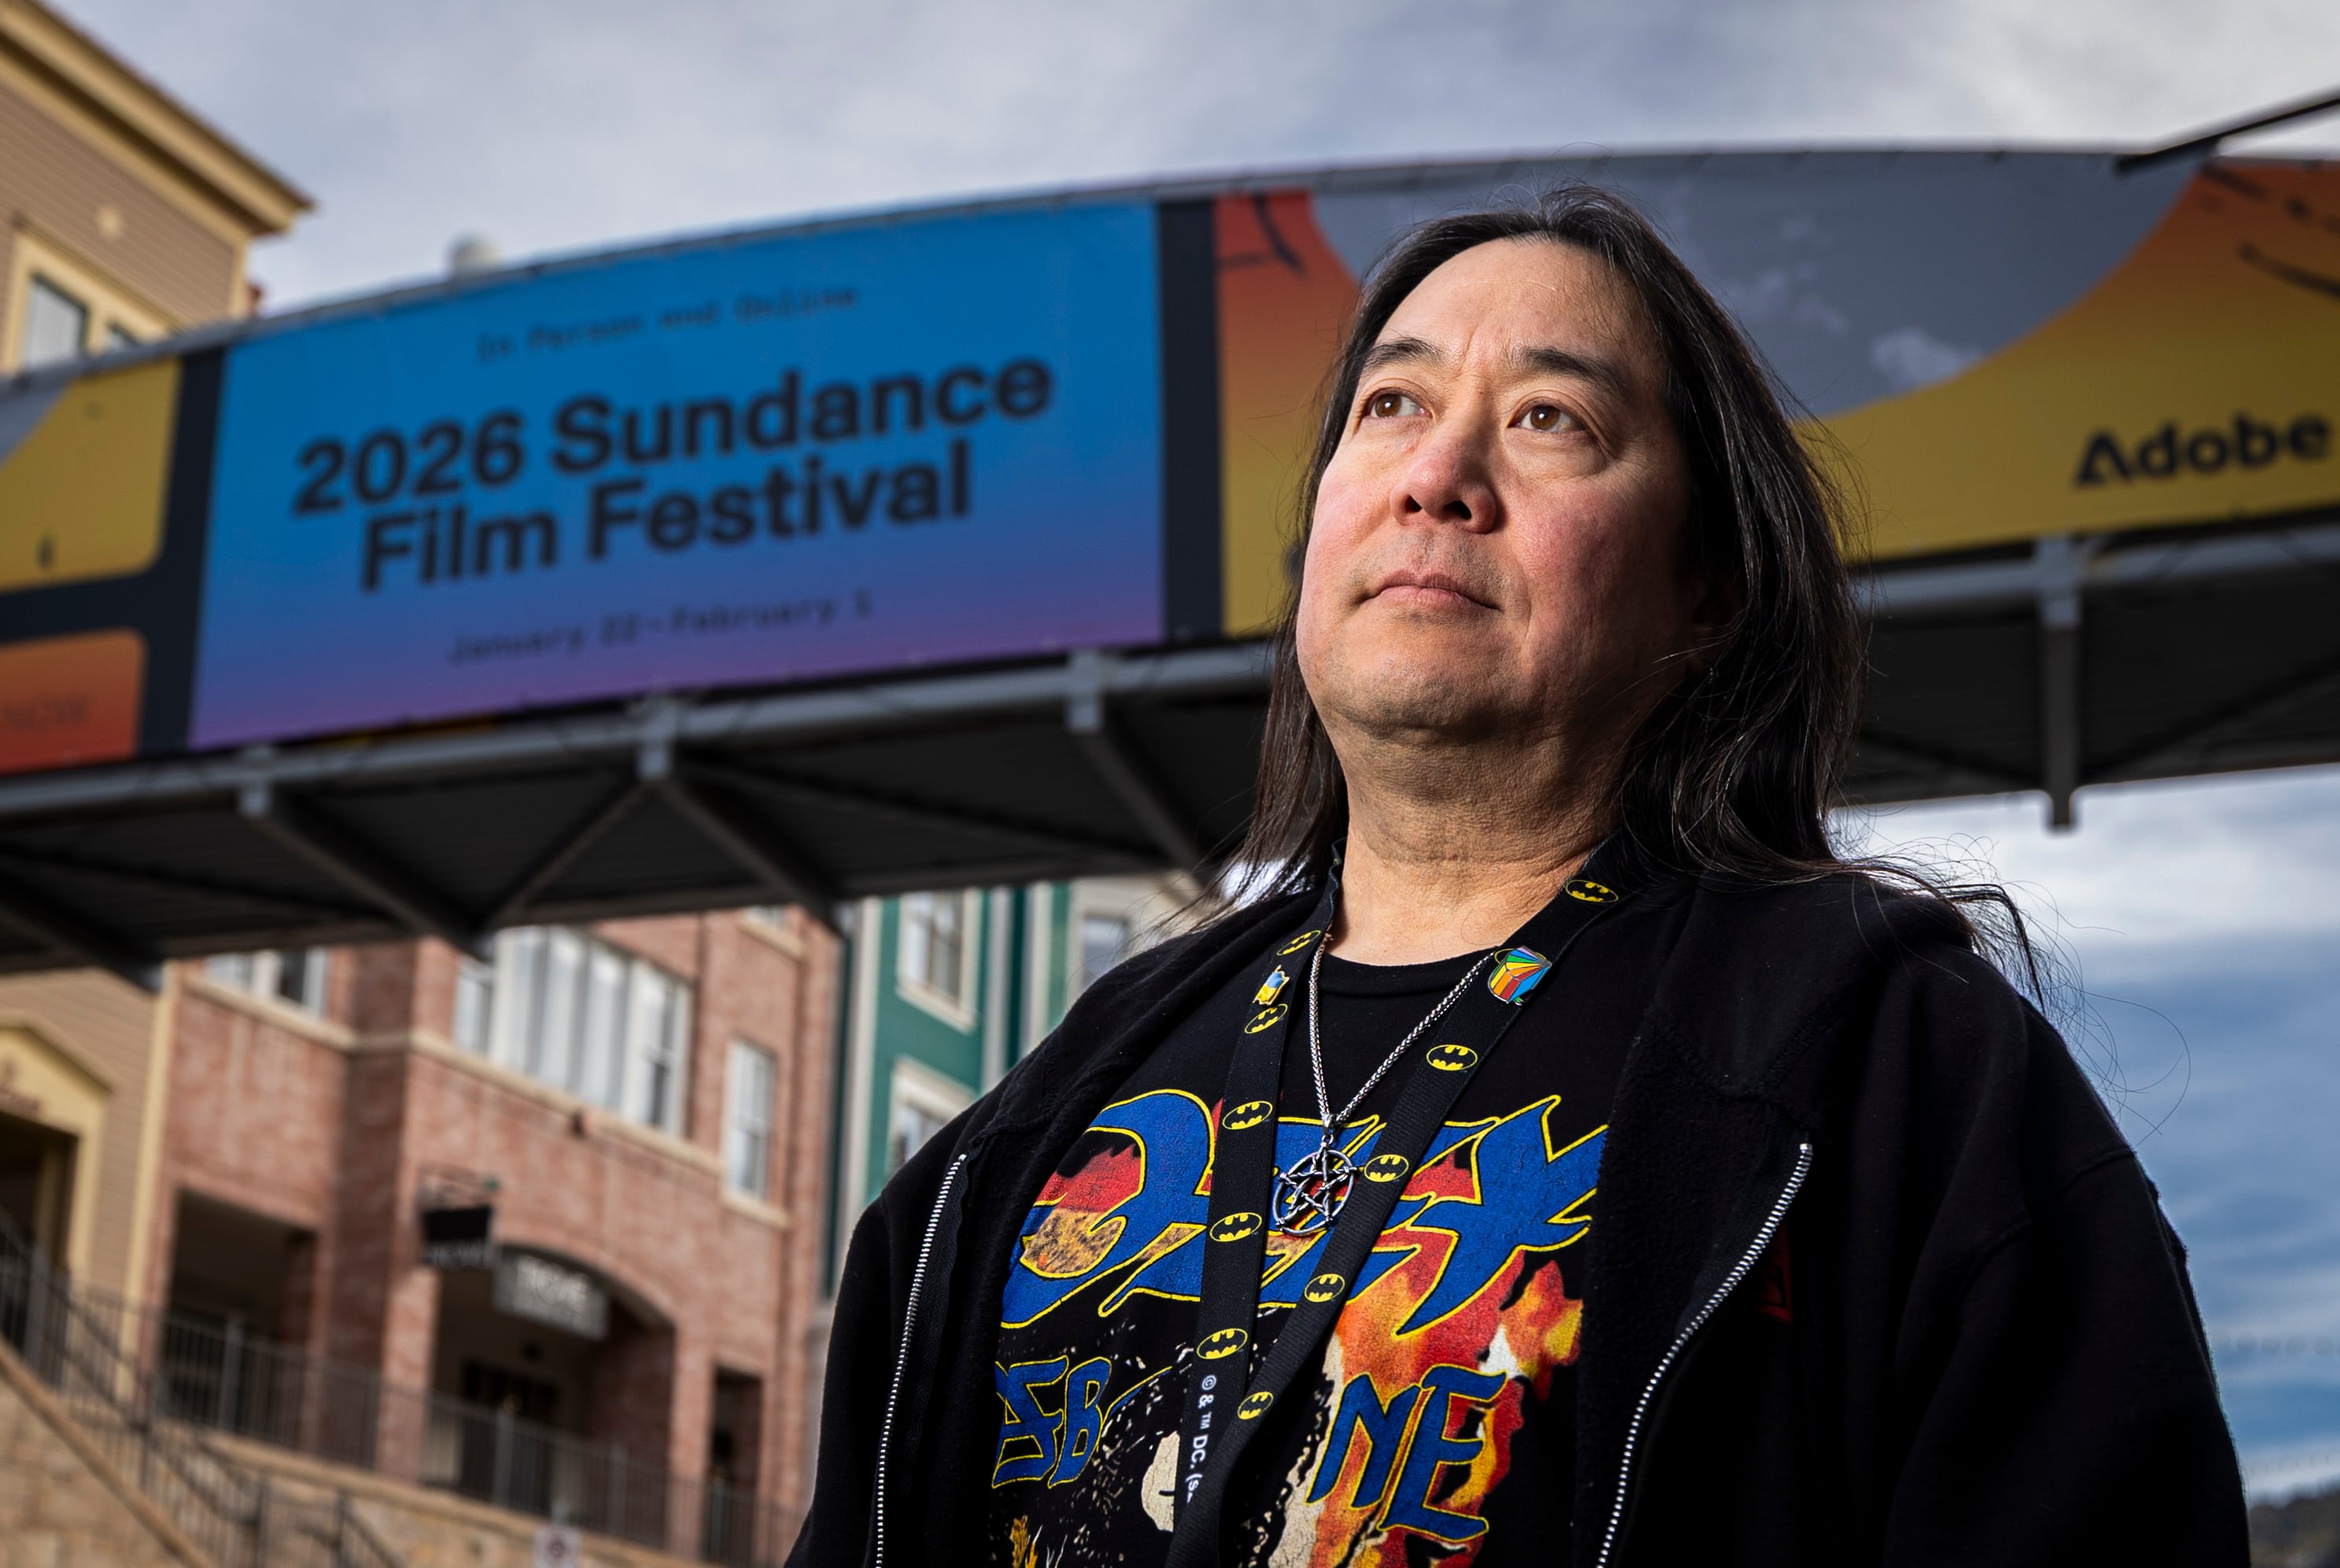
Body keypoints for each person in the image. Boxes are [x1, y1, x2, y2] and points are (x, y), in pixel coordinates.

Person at [787, 189, 2247, 1568]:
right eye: (1393, 406)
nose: (1439, 477)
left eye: (1550, 419)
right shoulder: (1027, 1130)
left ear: (1708, 591)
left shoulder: (1893, 1074)